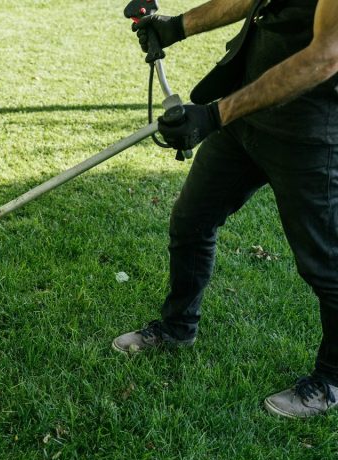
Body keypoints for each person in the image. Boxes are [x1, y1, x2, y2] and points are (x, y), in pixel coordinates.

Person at [113, 0, 338, 418]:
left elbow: (326, 57)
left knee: (326, 264)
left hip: (310, 134)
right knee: (191, 221)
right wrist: (177, 27)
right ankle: (178, 327)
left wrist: (215, 114)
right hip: (248, 115)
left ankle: (331, 380)